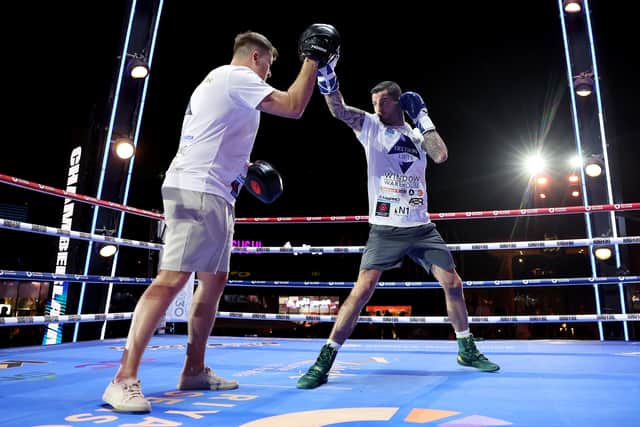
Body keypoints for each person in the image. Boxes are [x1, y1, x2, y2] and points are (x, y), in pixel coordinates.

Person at [102, 26, 339, 412]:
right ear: (256, 57)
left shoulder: (221, 83)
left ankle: (194, 369)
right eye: (269, 67)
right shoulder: (237, 77)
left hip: (214, 190)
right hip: (197, 188)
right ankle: (122, 378)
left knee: (214, 280)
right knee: (173, 278)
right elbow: (294, 106)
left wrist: (244, 169)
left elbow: (215, 136)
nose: (269, 76)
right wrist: (312, 58)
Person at [296, 58, 500, 390]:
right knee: (361, 291)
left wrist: (423, 118)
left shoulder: (417, 135)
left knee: (453, 284)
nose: (376, 109)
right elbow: (338, 110)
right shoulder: (369, 126)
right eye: (374, 103)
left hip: (421, 228)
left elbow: (441, 155)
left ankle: (466, 348)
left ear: (397, 102)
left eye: (382, 104)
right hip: (385, 228)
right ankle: (325, 359)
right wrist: (327, 76)